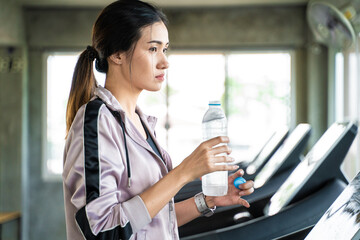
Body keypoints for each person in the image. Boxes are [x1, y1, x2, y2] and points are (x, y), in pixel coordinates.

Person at [62, 0, 254, 239]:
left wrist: (209, 200)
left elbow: (152, 220)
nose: (164, 61)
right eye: (153, 49)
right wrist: (184, 172)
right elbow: (104, 231)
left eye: (165, 49)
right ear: (117, 54)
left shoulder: (140, 123)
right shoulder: (96, 121)